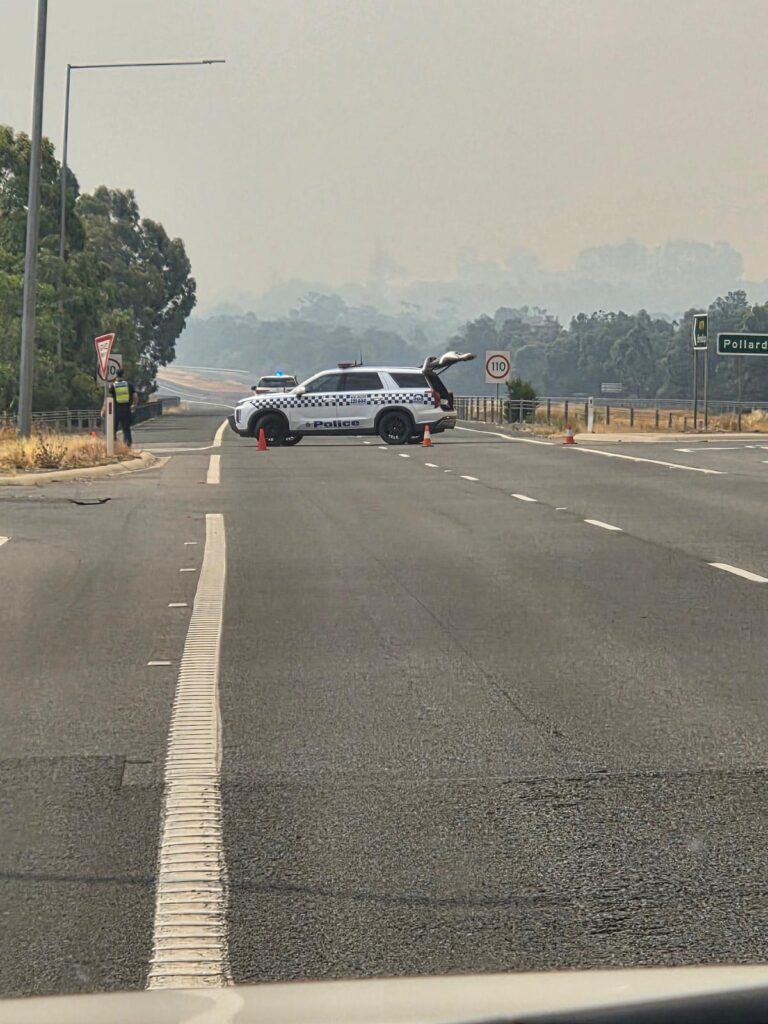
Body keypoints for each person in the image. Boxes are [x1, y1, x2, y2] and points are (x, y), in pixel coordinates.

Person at [108, 368, 139, 447]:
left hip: (116, 410)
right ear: (123, 375)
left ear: (116, 375)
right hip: (126, 409)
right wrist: (134, 406)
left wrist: (104, 409)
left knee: (113, 429)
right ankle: (127, 446)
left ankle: (113, 446)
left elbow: (109, 398)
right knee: (126, 429)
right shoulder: (129, 385)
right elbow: (135, 396)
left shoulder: (113, 386)